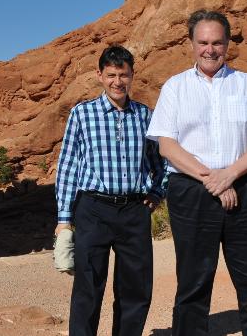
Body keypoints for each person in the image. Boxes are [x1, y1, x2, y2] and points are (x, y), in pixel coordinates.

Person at [147, 9, 247, 336]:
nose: (210, 49)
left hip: (245, 188)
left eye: (217, 42)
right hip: (192, 191)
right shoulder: (175, 88)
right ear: (191, 44)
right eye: (203, 42)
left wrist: (230, 175)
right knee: (193, 282)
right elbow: (167, 146)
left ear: (227, 44)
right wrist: (214, 178)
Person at [55, 45, 167, 336]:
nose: (118, 82)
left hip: (134, 211)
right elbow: (67, 166)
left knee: (136, 288)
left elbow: (162, 162)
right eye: (111, 75)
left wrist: (156, 193)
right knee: (88, 287)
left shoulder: (145, 116)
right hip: (93, 209)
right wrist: (64, 219)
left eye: (124, 75)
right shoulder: (82, 114)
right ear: (100, 75)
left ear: (132, 75)